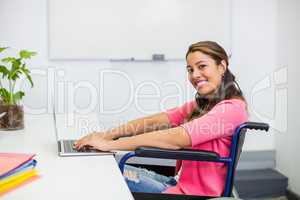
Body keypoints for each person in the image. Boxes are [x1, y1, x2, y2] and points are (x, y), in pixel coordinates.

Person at [74, 41, 248, 197]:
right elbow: (156, 122)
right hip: (177, 183)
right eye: (190, 69)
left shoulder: (231, 109)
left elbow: (176, 138)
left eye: (202, 66)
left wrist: (109, 145)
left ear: (222, 66)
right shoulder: (204, 104)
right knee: (110, 170)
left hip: (191, 194)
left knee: (106, 175)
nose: (195, 75)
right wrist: (107, 135)